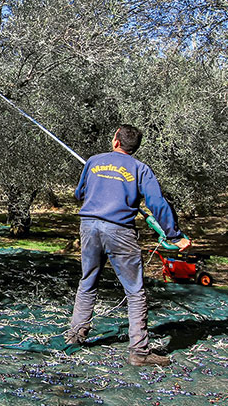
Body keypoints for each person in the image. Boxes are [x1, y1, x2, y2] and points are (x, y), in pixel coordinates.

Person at [66, 125, 191, 367]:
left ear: (115, 141)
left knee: (88, 280)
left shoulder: (93, 161)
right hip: (119, 230)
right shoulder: (140, 169)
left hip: (89, 226)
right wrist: (174, 235)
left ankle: (75, 336)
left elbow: (78, 194)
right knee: (135, 291)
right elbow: (156, 202)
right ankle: (139, 352)